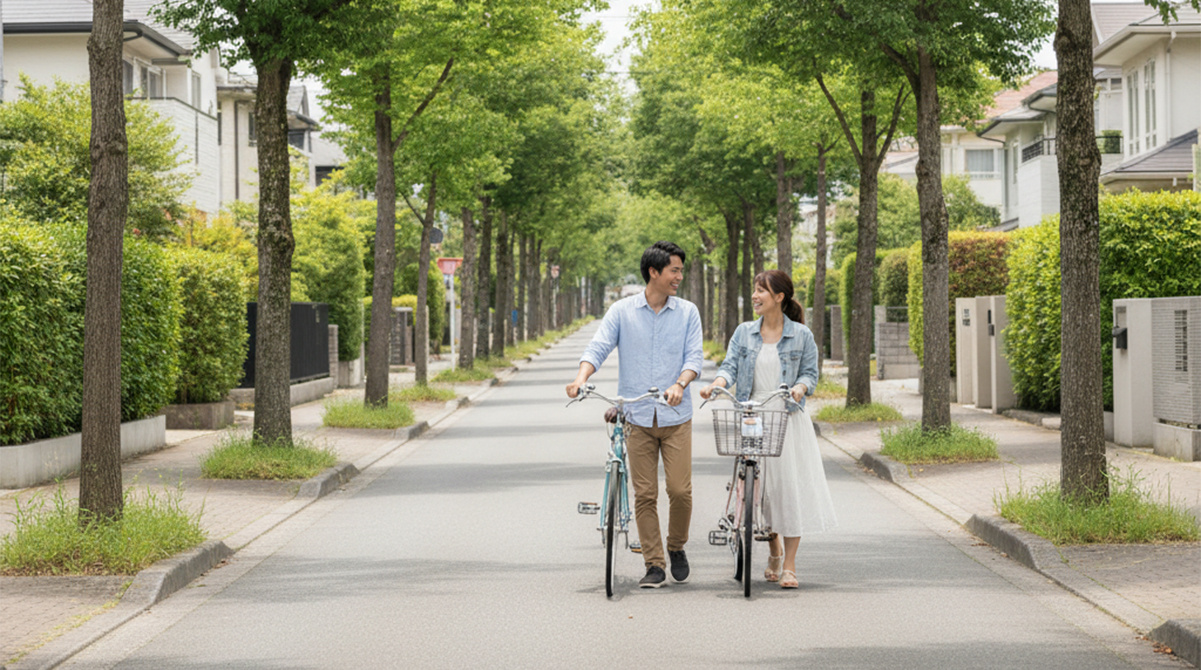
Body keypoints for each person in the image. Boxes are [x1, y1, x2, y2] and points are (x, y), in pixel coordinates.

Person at [566, 241, 704, 589]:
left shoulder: (688, 312)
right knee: (645, 494)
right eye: (674, 270)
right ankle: (654, 563)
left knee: (680, 491)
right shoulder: (622, 311)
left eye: (680, 270)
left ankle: (676, 547)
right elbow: (598, 346)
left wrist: (680, 384)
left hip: (676, 417)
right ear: (654, 272)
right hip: (637, 416)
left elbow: (694, 358)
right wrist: (581, 378)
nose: (679, 277)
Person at [699, 269, 837, 589]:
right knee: (761, 493)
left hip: (787, 416)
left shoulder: (801, 335)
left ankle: (788, 564)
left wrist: (801, 389)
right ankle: (772, 548)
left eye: (763, 290)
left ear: (779, 297)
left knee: (789, 490)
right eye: (755, 289)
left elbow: (809, 374)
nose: (755, 296)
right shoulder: (744, 332)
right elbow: (729, 366)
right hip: (752, 413)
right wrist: (716, 385)